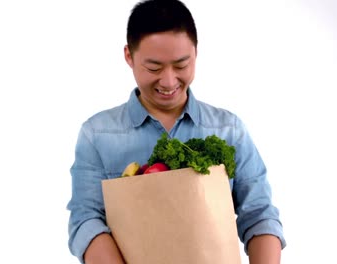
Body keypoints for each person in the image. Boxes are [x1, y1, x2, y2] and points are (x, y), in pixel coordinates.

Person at [66, 0, 286, 263]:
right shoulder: (97, 134)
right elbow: (86, 220)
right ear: (129, 56)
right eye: (154, 68)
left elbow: (260, 216)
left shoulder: (229, 130)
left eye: (181, 65)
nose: (169, 81)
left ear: (196, 53)